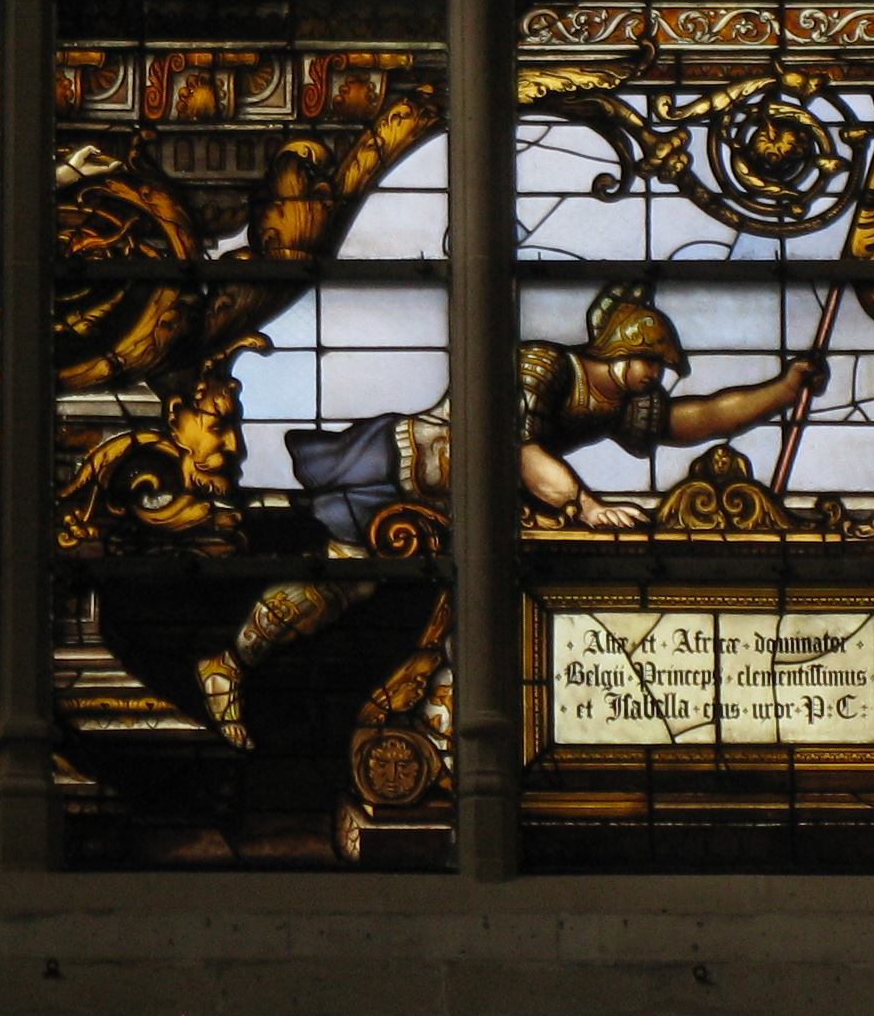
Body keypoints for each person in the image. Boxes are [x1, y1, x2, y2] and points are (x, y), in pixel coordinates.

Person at [189, 284, 829, 747]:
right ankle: (231, 664)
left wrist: (784, 389)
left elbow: (698, 419)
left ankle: (436, 730)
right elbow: (518, 447)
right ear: (625, 348)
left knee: (433, 601)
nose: (660, 378)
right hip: (408, 470)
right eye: (655, 363)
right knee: (346, 578)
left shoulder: (616, 402)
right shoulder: (543, 366)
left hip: (466, 505)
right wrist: (583, 504)